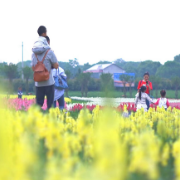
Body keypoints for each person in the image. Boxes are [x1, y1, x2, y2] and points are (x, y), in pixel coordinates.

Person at [31, 26, 59, 110]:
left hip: (38, 83)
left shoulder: (33, 53)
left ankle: (37, 121)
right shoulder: (49, 52)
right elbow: (56, 66)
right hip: (49, 82)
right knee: (50, 106)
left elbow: (33, 67)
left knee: (38, 105)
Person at [45, 36, 65, 110]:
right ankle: (62, 119)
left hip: (52, 93)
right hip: (60, 91)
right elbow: (64, 77)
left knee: (52, 109)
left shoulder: (48, 70)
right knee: (61, 107)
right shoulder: (60, 70)